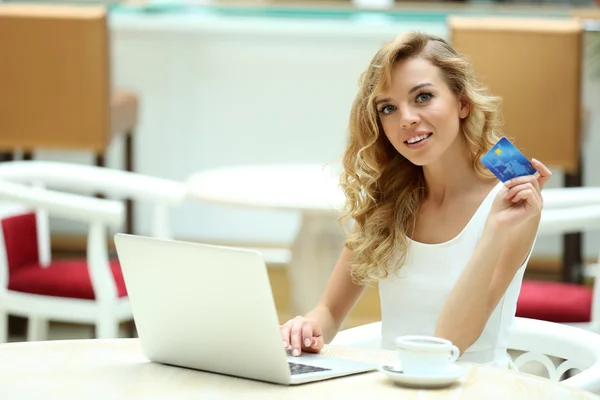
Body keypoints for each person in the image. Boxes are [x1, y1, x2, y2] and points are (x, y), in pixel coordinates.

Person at [279, 31, 552, 367]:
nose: (405, 118)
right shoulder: (387, 199)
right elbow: (329, 312)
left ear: (463, 103)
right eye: (388, 108)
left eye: (423, 97)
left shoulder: (511, 204)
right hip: (389, 385)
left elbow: (449, 345)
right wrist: (306, 326)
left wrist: (495, 230)